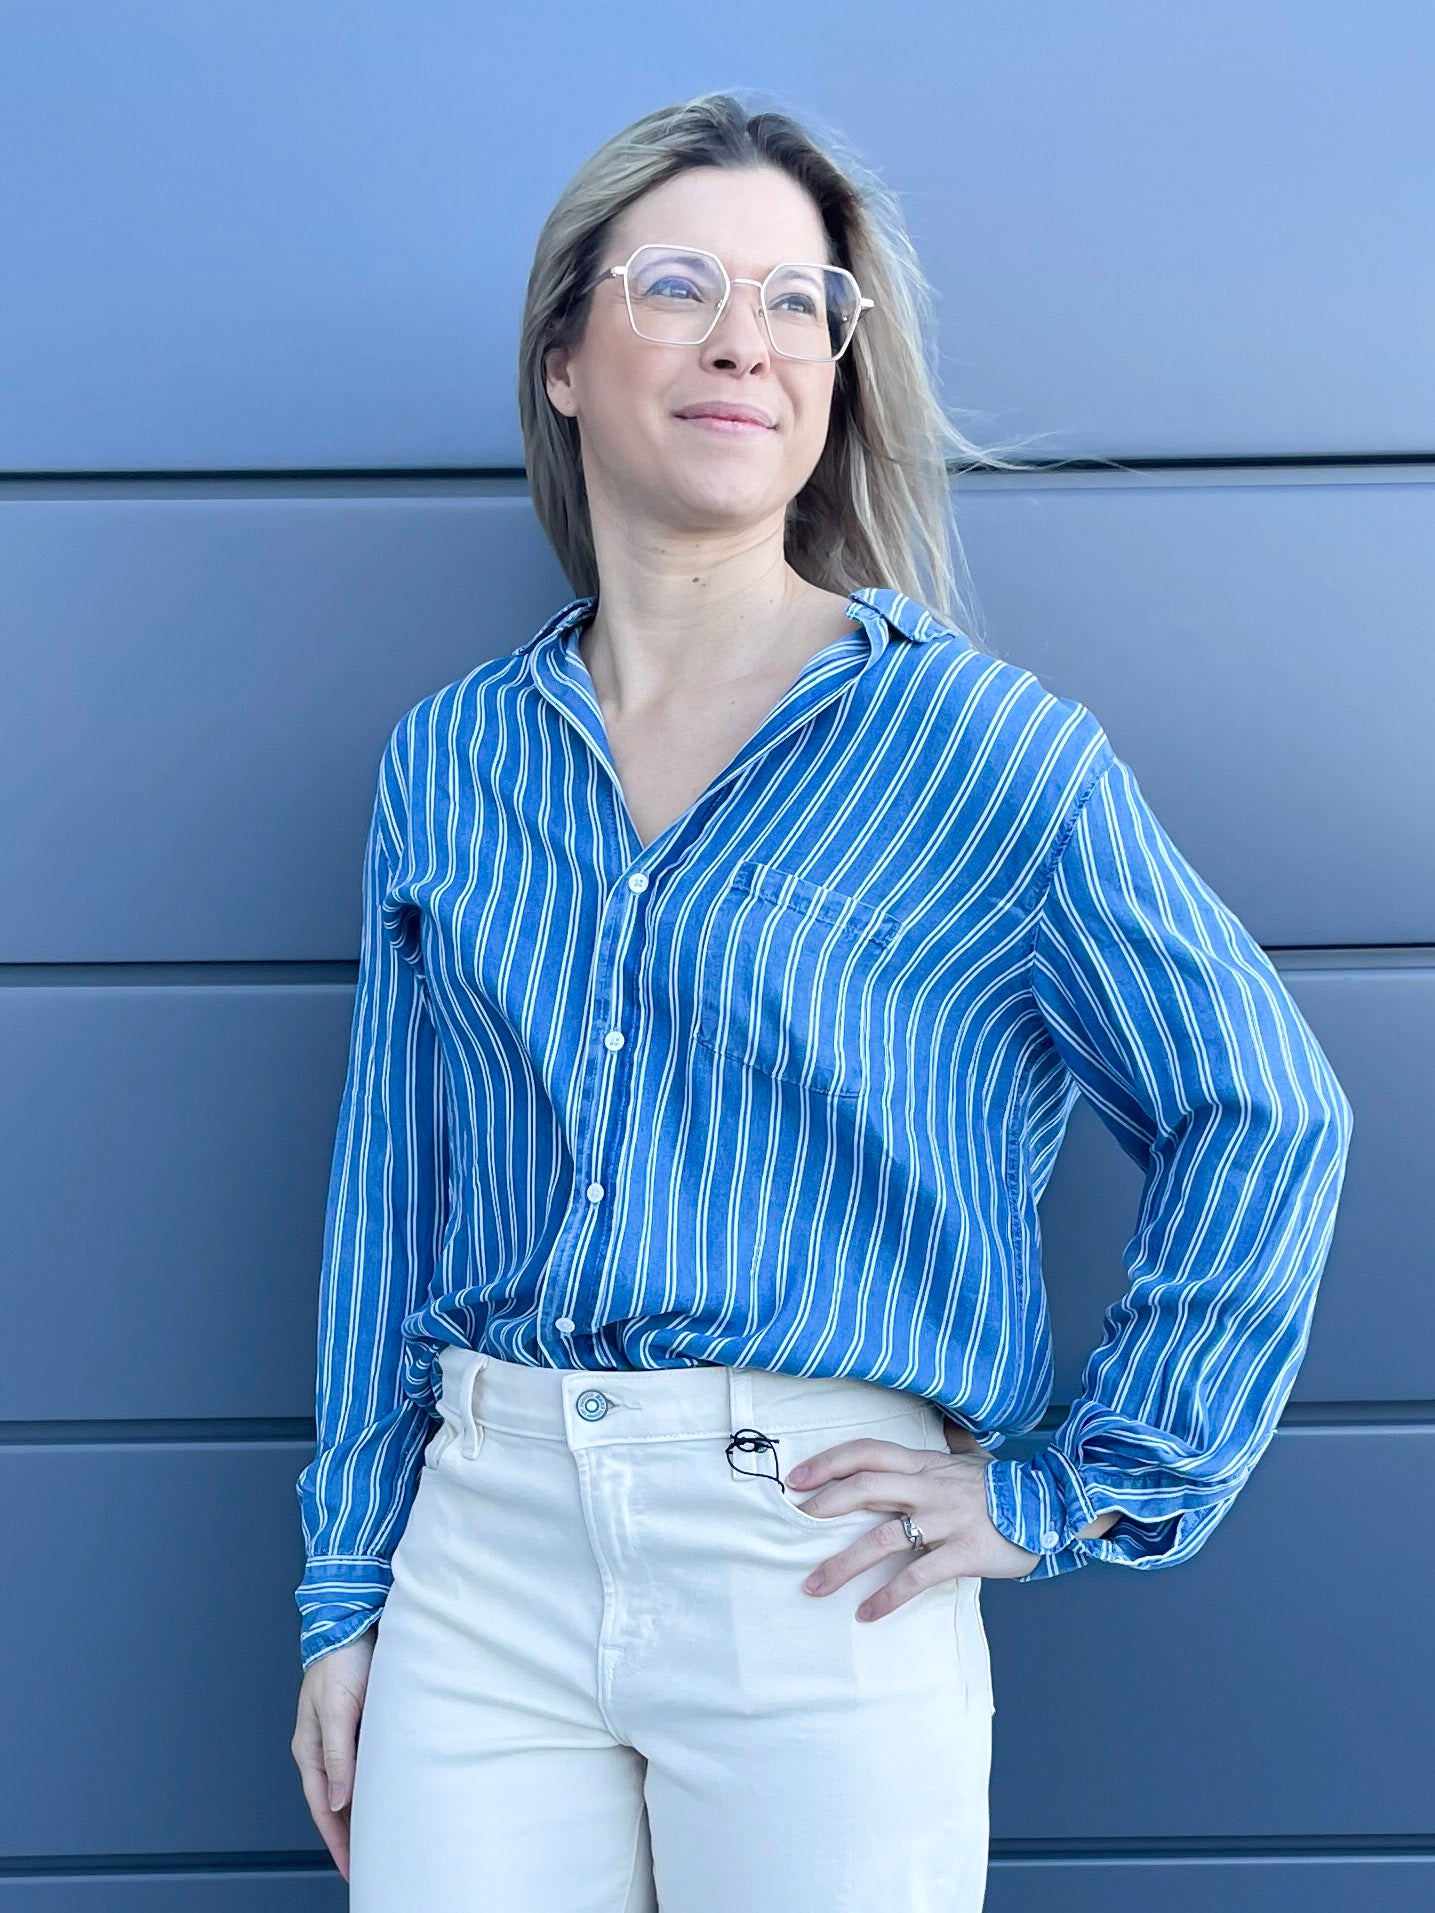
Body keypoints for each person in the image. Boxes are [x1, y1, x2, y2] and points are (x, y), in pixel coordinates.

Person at [288, 90, 1354, 1911]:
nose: (746, 341)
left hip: (815, 1561)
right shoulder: (450, 761)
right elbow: (392, 1201)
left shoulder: (979, 750)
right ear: (562, 358)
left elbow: (1264, 1109)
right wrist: (345, 1589)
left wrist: (1075, 1481)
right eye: (680, 285)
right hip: (482, 1549)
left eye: (801, 303)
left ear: (842, 376)